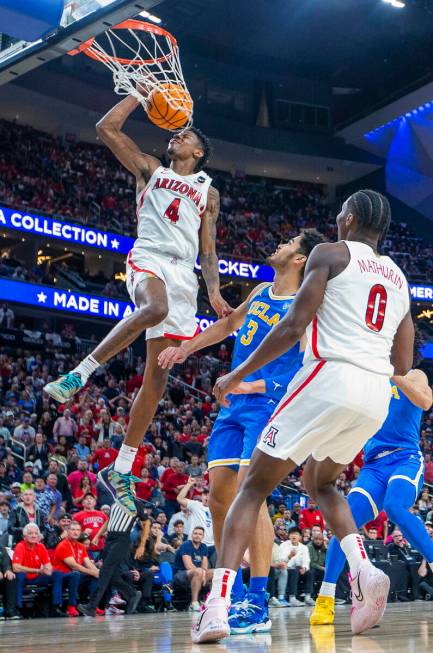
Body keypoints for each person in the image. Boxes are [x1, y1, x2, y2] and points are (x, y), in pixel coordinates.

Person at [192, 189, 414, 643]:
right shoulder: (398, 277)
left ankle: (216, 606)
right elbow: (404, 362)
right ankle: (364, 570)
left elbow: (292, 325)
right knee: (321, 482)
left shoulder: (330, 254)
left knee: (251, 485)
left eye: (339, 213)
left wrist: (237, 372)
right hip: (375, 395)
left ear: (349, 218)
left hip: (328, 378)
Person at [44, 94, 232, 517]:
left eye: (184, 135)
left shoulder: (208, 191)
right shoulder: (150, 168)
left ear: (198, 151)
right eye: (174, 134)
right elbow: (106, 130)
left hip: (185, 273)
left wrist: (215, 290)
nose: (175, 137)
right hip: (148, 256)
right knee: (154, 308)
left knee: (158, 378)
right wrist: (137, 95)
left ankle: (122, 468)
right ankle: (80, 373)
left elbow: (208, 249)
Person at [160, 229, 326, 634]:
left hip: (267, 405)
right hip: (234, 406)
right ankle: (227, 591)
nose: (280, 243)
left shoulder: (303, 306)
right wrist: (186, 348)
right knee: (219, 496)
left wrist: (255, 384)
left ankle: (257, 600)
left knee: (254, 497)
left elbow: (306, 367)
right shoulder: (259, 292)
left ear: (301, 259)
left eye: (290, 241)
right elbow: (228, 325)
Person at [311, 339, 433, 625]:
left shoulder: (415, 375)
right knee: (345, 523)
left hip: (405, 457)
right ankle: (326, 599)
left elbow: (426, 401)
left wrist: (391, 373)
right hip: (374, 465)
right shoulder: (366, 378)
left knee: (394, 506)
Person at [78, 502, 145, 617]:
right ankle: (132, 594)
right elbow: (109, 520)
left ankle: (92, 606)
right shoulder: (115, 503)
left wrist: (142, 544)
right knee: (112, 575)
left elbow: (147, 522)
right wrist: (98, 535)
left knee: (105, 571)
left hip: (122, 539)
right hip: (110, 539)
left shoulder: (135, 503)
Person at [52, 521, 100, 616]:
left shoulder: (81, 546)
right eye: (73, 529)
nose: (76, 532)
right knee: (76, 574)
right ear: (67, 531)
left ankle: (92, 605)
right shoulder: (63, 545)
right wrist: (92, 572)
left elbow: (88, 563)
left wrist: (97, 572)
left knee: (96, 576)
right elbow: (74, 566)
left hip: (76, 575)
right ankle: (71, 606)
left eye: (78, 530)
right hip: (62, 576)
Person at [12, 524, 53, 612]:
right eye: (30, 533)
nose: (34, 536)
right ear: (24, 537)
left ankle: (52, 607)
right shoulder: (20, 546)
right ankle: (17, 607)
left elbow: (48, 565)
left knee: (55, 575)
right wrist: (38, 570)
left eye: (36, 533)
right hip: (24, 577)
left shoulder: (41, 546)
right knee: (19, 575)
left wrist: (48, 570)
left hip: (36, 577)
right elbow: (15, 567)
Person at [270, 526, 313, 608]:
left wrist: (304, 567)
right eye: (292, 534)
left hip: (299, 568)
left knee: (310, 572)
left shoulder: (304, 547)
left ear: (300, 537)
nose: (294, 536)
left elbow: (306, 560)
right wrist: (289, 556)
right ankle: (292, 598)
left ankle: (308, 597)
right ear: (289, 536)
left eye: (296, 534)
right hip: (287, 568)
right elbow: (282, 561)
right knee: (294, 571)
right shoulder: (283, 545)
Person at [173, 526, 213, 611]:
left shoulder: (204, 547)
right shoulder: (186, 545)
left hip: (198, 573)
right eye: (195, 533)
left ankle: (209, 600)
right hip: (181, 574)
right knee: (198, 571)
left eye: (200, 534)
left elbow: (205, 567)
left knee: (214, 572)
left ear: (203, 537)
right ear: (192, 535)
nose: (197, 536)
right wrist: (202, 574)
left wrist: (204, 573)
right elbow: (188, 566)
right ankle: (193, 603)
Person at [177, 479, 214, 550]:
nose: (207, 497)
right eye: (205, 494)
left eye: (209, 495)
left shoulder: (217, 509)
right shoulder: (195, 505)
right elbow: (179, 498)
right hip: (194, 543)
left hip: (211, 545)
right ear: (201, 496)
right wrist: (189, 484)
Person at [0, 543, 19, 620]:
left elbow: (5, 561)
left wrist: (8, 570)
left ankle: (10, 611)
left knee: (11, 578)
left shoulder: (1, 547)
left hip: (1, 576)